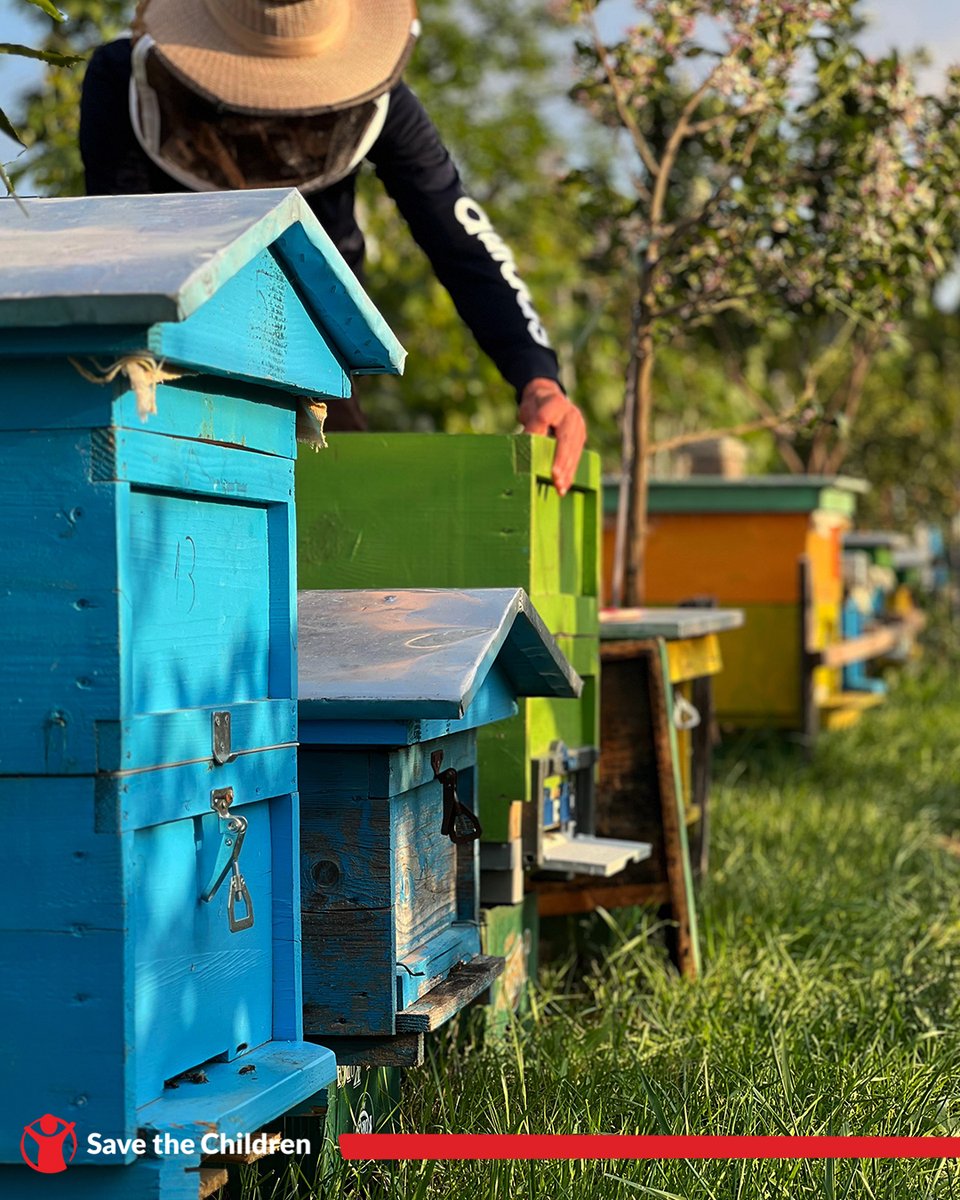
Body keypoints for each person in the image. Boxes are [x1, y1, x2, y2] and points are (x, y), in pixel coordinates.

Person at [79, 0, 587, 495]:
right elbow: (126, 254)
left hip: (315, 369)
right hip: (161, 369)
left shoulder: (383, 102)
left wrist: (537, 377)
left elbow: (459, 237)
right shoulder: (125, 81)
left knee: (346, 540)